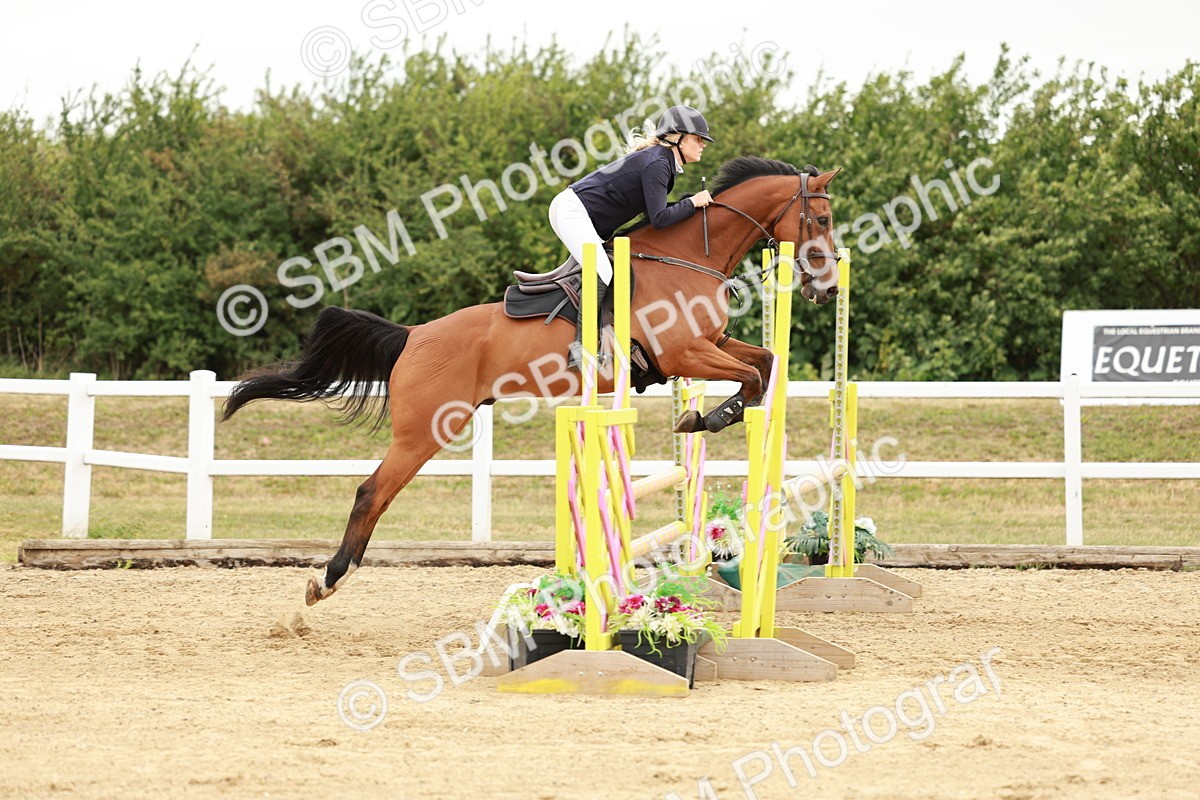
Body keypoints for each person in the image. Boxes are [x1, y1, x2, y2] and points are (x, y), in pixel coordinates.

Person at [547, 104, 715, 367]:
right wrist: (692, 202)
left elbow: (654, 217)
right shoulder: (658, 163)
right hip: (572, 211)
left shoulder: (662, 161)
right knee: (603, 271)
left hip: (577, 213)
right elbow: (659, 220)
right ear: (678, 138)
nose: (702, 144)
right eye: (698, 138)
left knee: (610, 270)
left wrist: (689, 207)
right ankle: (581, 349)